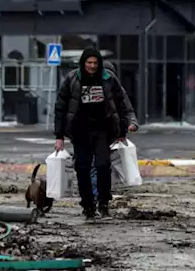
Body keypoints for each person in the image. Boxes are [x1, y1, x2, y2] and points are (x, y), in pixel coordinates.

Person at [54, 48, 135, 219]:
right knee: (82, 168)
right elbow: (60, 107)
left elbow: (120, 105)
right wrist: (59, 136)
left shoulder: (109, 79)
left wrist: (122, 131)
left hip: (102, 130)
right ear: (83, 63)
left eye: (95, 63)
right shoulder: (72, 79)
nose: (92, 66)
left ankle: (104, 203)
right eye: (89, 63)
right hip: (80, 131)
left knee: (103, 165)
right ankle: (88, 205)